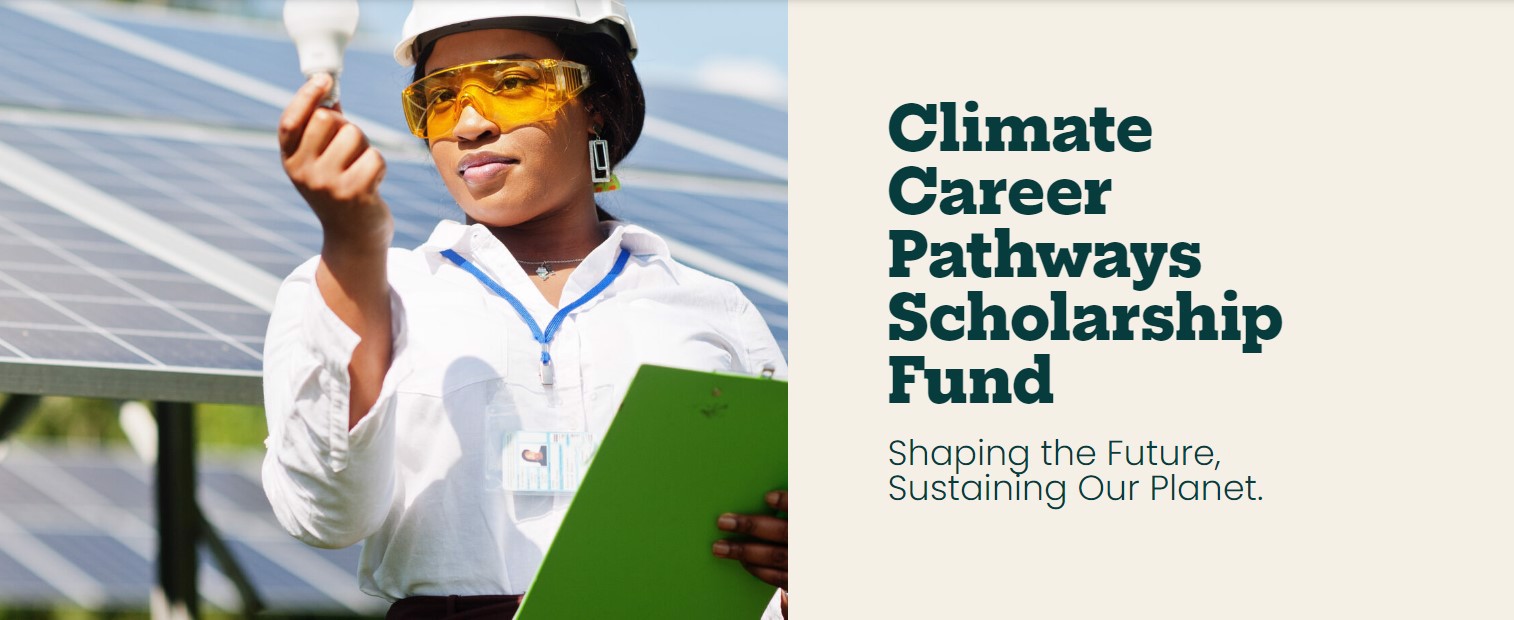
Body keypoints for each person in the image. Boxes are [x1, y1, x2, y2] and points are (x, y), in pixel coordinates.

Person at [260, 1, 789, 617]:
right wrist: (354, 248)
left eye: (512, 84)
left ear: (597, 102)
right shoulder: (353, 287)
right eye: (441, 98)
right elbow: (324, 517)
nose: (470, 124)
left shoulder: (712, 309)